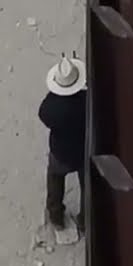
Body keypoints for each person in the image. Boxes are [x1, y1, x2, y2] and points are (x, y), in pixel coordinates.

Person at [38, 54, 87, 234]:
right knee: (87, 186)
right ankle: (85, 220)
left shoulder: (53, 107)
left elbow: (43, 114)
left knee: (55, 179)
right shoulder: (85, 101)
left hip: (60, 152)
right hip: (83, 150)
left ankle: (56, 216)